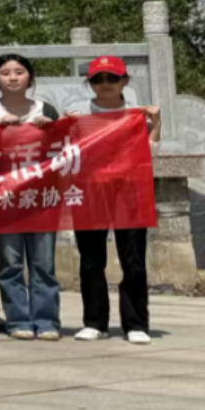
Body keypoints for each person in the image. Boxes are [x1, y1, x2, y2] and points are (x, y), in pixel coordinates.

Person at [69, 56, 161, 346]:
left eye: (112, 78)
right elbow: (65, 153)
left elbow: (150, 153)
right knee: (91, 260)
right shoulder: (78, 114)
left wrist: (156, 123)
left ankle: (136, 323)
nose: (105, 84)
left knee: (133, 260)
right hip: (90, 193)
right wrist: (66, 126)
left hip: (129, 194)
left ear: (124, 81)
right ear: (90, 83)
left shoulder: (137, 115)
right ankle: (95, 322)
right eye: (98, 79)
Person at [0, 53, 61, 341]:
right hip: (4, 199)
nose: (13, 77)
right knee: (10, 263)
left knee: (44, 264)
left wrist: (51, 130)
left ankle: (46, 321)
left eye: (19, 72)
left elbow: (63, 151)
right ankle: (18, 320)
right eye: (5, 72)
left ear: (30, 77)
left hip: (41, 198)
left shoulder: (47, 110)